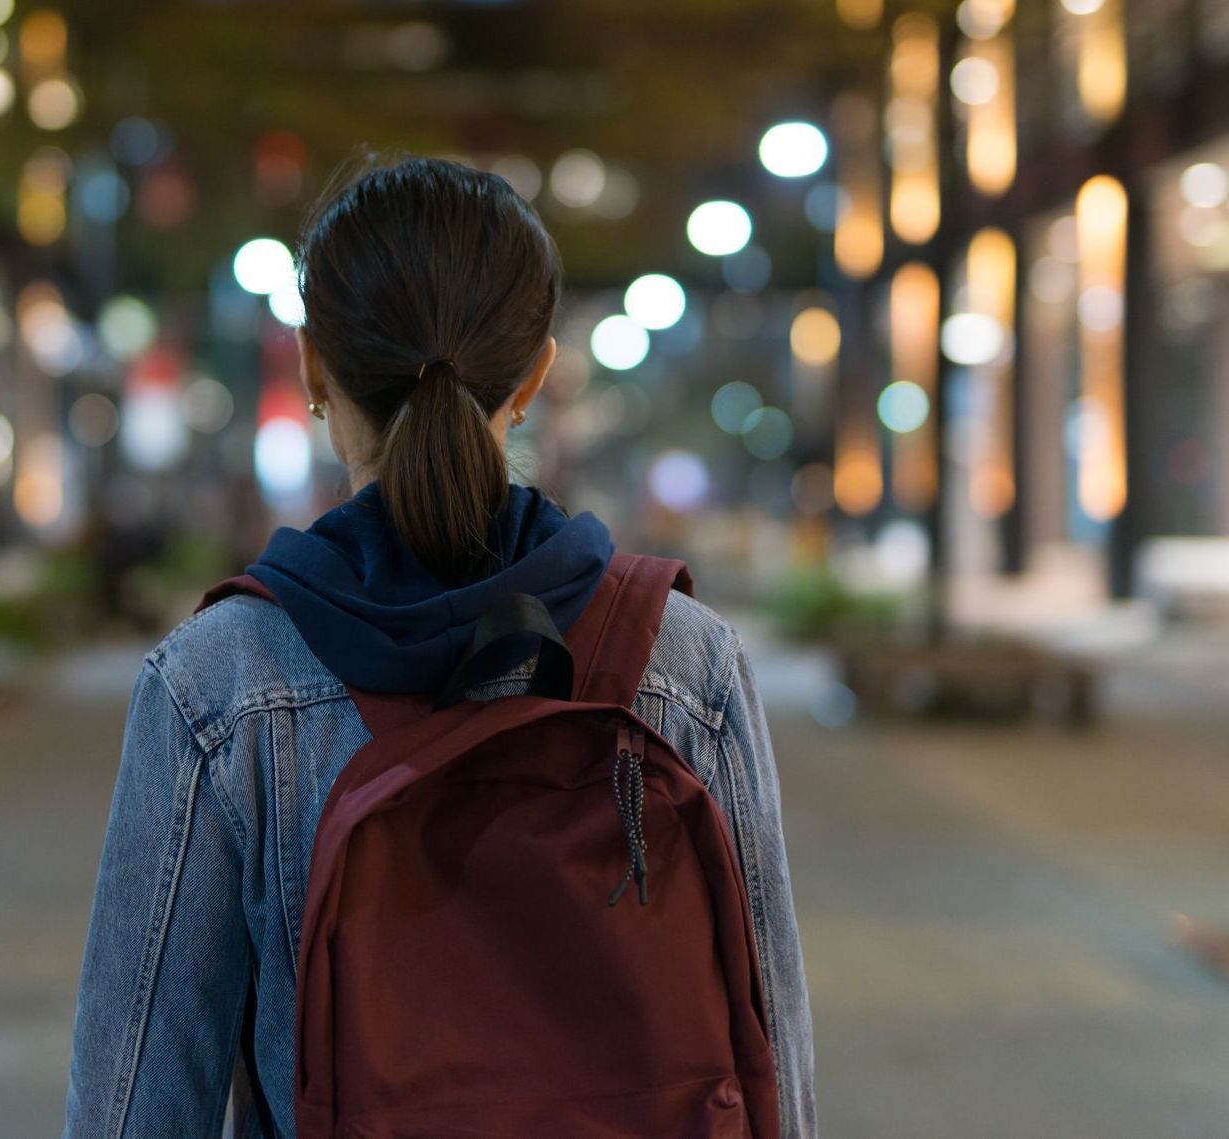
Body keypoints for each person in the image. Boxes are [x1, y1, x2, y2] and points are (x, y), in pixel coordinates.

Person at [63, 155, 815, 1138]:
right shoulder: (687, 661)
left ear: (313, 367)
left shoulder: (218, 683)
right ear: (536, 375)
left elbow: (136, 1107)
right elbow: (772, 1062)